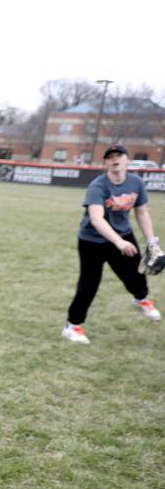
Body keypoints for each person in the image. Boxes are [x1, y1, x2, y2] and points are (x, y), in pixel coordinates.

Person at [62, 144, 159, 343]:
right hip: (92, 240)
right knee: (89, 283)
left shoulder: (136, 183)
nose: (115, 159)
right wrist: (118, 242)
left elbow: (141, 211)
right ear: (105, 162)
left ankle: (141, 299)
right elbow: (97, 219)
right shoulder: (98, 186)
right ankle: (72, 326)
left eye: (119, 155)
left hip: (123, 234)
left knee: (135, 273)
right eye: (110, 157)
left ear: (127, 160)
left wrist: (151, 241)